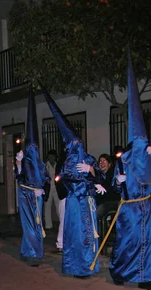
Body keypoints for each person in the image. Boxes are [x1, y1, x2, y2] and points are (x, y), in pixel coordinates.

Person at [41, 85, 104, 277]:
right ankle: (76, 265)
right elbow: (65, 180)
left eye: (78, 143)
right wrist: (85, 184)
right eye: (72, 144)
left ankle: (88, 264)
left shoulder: (89, 159)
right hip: (75, 202)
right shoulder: (67, 163)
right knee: (75, 234)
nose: (76, 146)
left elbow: (100, 174)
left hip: (88, 202)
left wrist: (92, 172)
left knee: (88, 234)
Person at [109, 52, 151, 287]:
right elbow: (116, 185)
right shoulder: (123, 159)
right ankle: (122, 273)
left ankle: (146, 277)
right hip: (130, 209)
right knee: (129, 242)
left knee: (149, 243)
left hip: (148, 207)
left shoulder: (148, 156)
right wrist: (121, 180)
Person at [15, 86, 49, 264]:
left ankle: (35, 250)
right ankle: (31, 252)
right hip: (25, 196)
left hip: (37, 197)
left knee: (37, 224)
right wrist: (19, 164)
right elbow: (19, 178)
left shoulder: (41, 164)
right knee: (28, 225)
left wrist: (42, 190)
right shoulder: (25, 161)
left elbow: (47, 179)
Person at [95, 154, 120, 219]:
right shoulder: (99, 175)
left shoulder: (112, 174)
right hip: (102, 201)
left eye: (104, 161)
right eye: (100, 161)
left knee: (98, 211)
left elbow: (110, 190)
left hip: (112, 201)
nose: (102, 163)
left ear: (109, 164)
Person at [44, 149, 60, 230]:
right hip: (48, 187)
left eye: (52, 156)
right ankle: (48, 224)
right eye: (50, 157)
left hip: (56, 187)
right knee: (47, 205)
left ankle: (62, 222)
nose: (51, 158)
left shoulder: (57, 165)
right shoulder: (45, 166)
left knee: (58, 205)